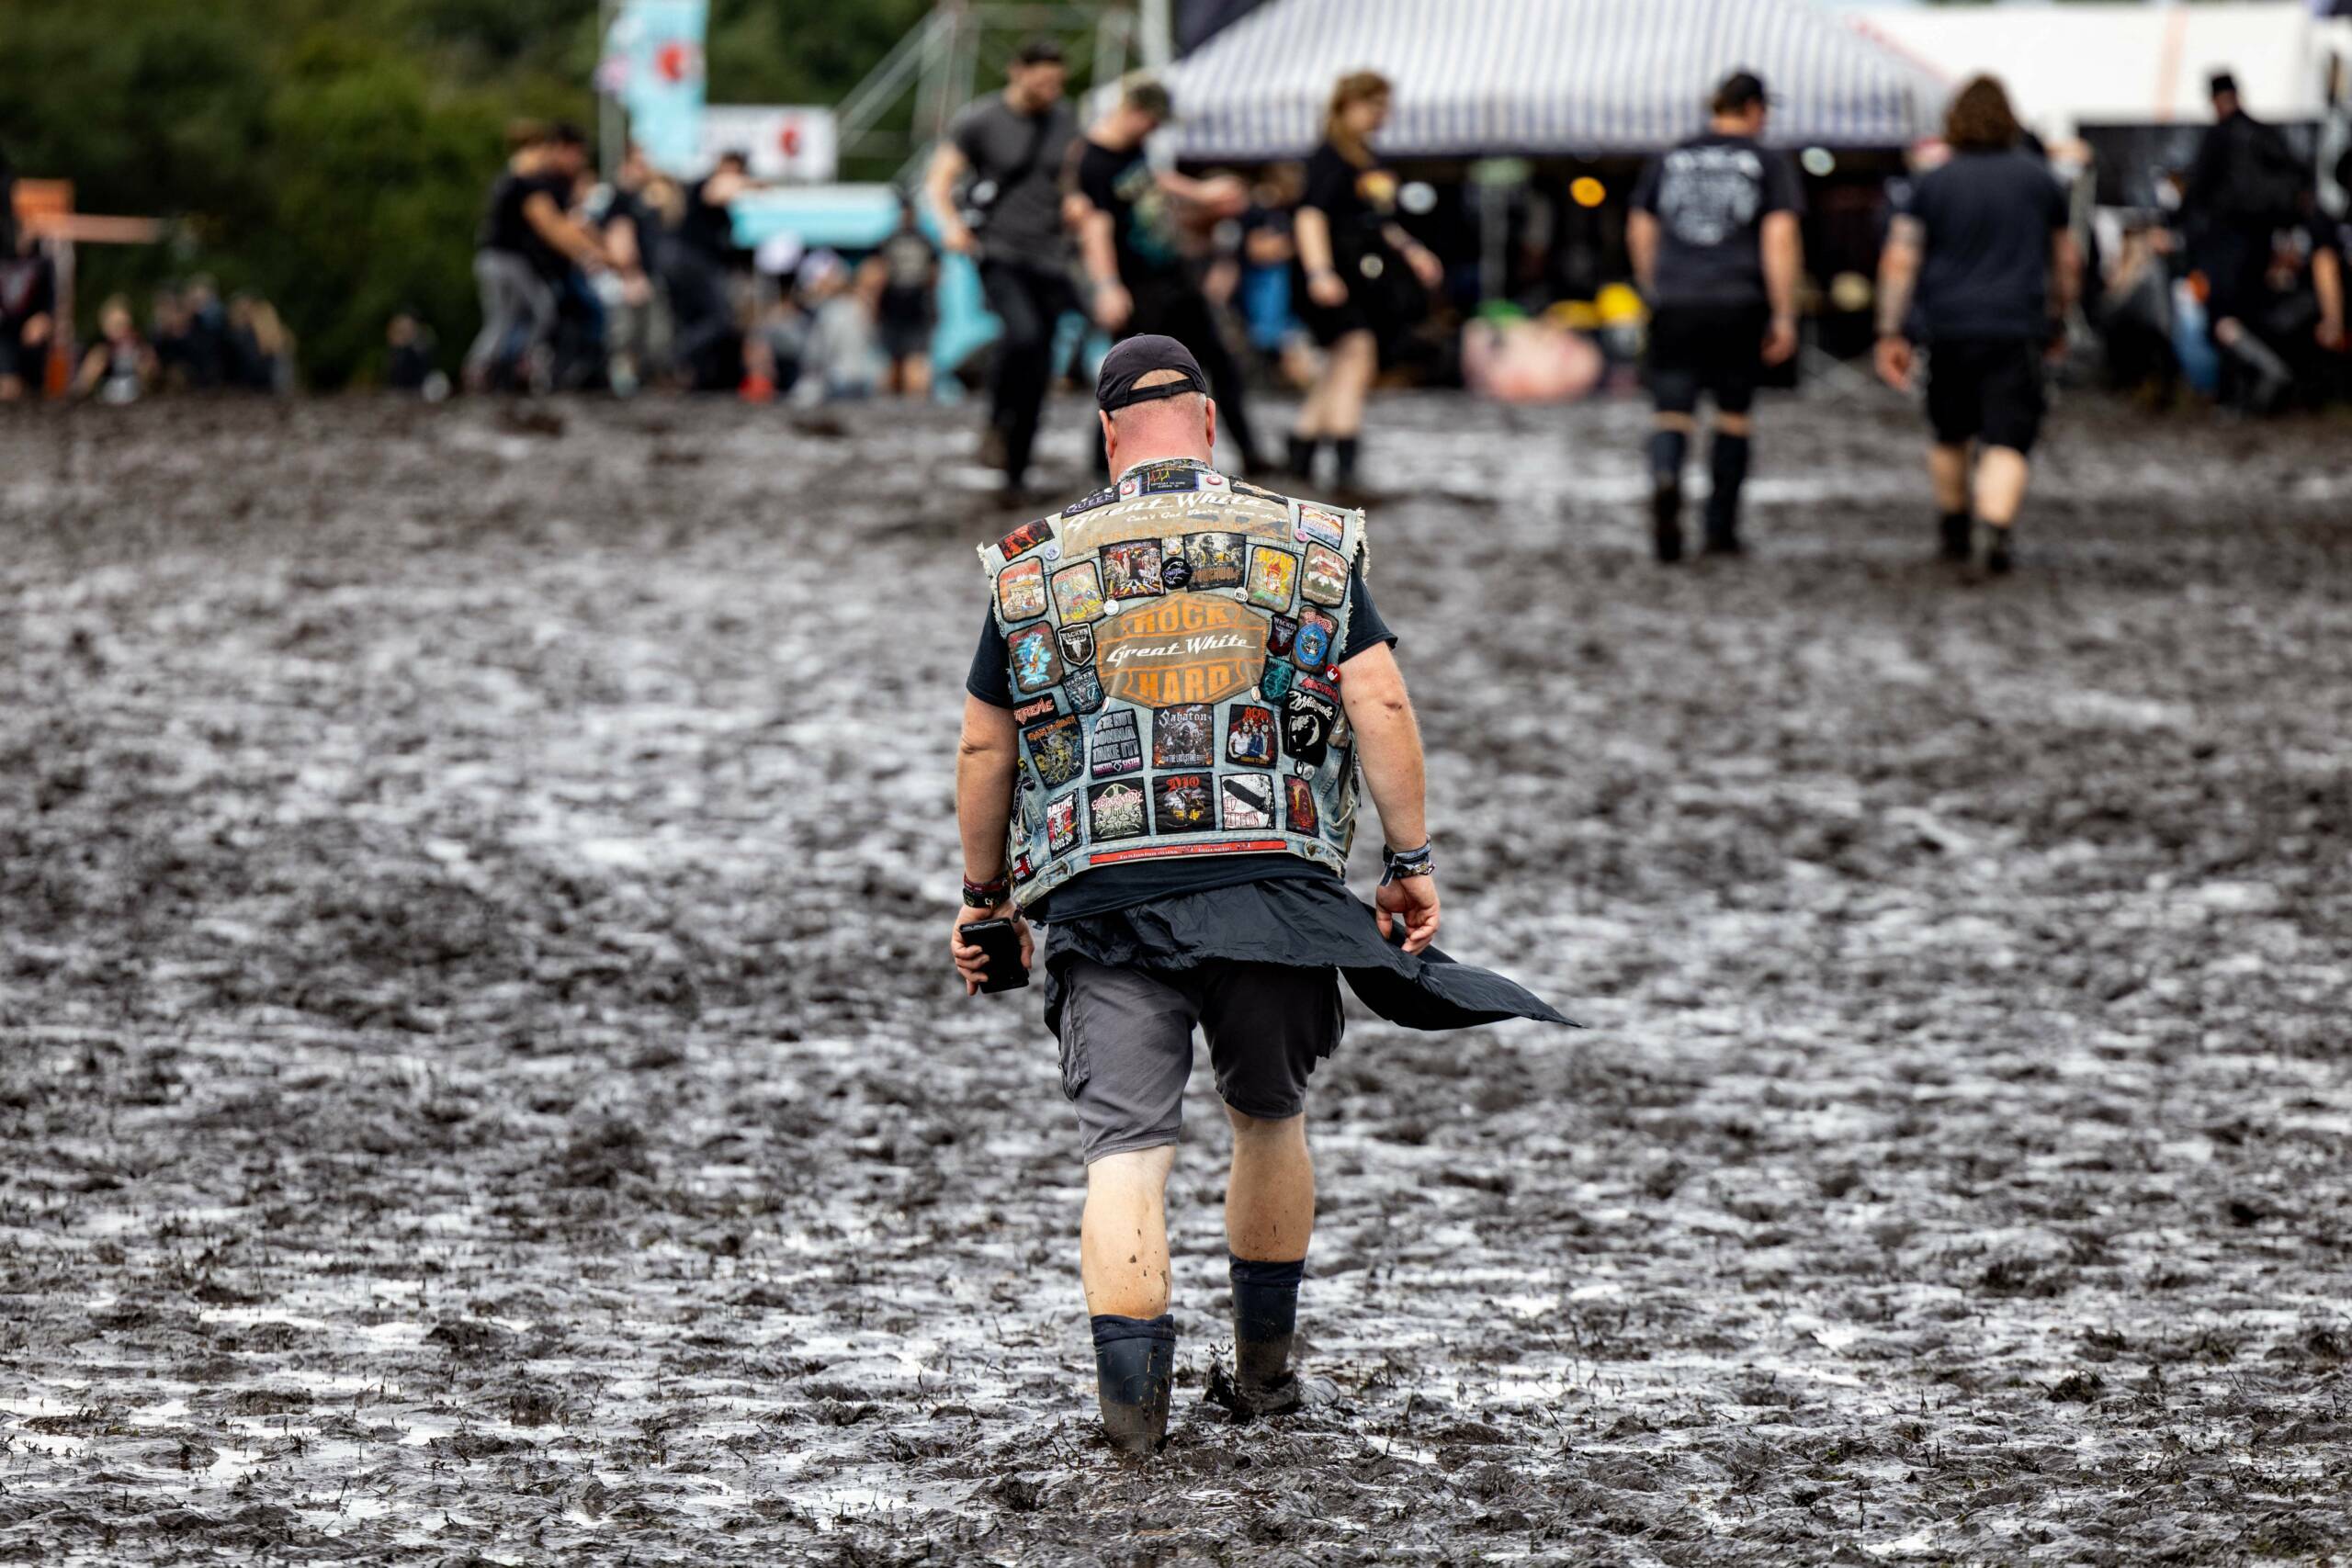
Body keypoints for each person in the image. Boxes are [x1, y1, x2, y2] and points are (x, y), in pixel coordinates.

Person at [950, 335, 1571, 1456]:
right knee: (1269, 1120)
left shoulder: (1034, 564)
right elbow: (1378, 702)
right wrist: (1410, 862)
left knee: (1126, 1158)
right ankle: (1266, 1382)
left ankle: (1133, 1429)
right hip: (1275, 893)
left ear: (1105, 435)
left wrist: (982, 898)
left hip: (1105, 898)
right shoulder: (1309, 542)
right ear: (1207, 422)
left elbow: (981, 750)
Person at [1874, 76, 2080, 575]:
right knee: (2008, 435)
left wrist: (1890, 331)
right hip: (2016, 325)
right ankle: (1996, 526)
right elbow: (2066, 258)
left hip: (1946, 325)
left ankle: (1954, 525)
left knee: (1949, 432)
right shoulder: (2040, 179)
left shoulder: (1933, 182)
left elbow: (1900, 260)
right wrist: (2061, 316)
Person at [1626, 71, 1804, 561]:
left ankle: (1666, 478)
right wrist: (1785, 313)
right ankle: (1719, 530)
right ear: (1752, 109)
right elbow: (1780, 237)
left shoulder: (1669, 156)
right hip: (1738, 301)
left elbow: (1640, 226)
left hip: (1676, 300)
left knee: (1671, 410)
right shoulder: (1766, 161)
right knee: (1733, 415)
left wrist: (1653, 286)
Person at [1067, 73, 1266, 474]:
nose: (1156, 131)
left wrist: (1201, 193)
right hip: (1135, 285)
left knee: (1218, 359)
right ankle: (1102, 462)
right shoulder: (1093, 160)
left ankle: (1252, 453)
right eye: (1153, 122)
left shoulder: (1135, 148)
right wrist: (1107, 286)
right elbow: (1096, 228)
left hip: (1173, 274)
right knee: (1127, 375)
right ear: (1136, 112)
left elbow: (1156, 181)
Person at [925, 37, 1080, 500]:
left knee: (1042, 356)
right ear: (1018, 71)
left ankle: (1017, 465)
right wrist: (950, 226)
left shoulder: (1065, 119)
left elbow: (1068, 176)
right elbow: (939, 180)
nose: (1051, 89)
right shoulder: (981, 120)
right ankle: (996, 420)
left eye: (1058, 82)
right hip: (998, 251)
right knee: (1023, 334)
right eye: (1043, 80)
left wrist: (1075, 204)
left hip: (1050, 254)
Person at [1288, 72, 1443, 492]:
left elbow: (1381, 222)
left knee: (1342, 363)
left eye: (1384, 107)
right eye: (1372, 106)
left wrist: (1413, 251)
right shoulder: (1328, 157)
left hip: (1364, 277)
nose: (1380, 115)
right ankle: (1343, 456)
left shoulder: (1367, 158)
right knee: (1357, 355)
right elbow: (1309, 216)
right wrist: (1319, 271)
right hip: (1334, 274)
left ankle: (1301, 449)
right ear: (1347, 105)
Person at [2181, 72, 2307, 412]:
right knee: (2251, 315)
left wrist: (2187, 240)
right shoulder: (2265, 134)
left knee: (2222, 320)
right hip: (2260, 246)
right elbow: (2297, 182)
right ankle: (2261, 384)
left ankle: (2248, 385)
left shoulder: (2219, 138)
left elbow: (2195, 195)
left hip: (2224, 248)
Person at [465, 122, 605, 393]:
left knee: (512, 317)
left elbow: (564, 224)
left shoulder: (521, 181)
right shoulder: (524, 182)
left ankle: (497, 369)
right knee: (531, 311)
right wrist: (589, 254)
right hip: (506, 260)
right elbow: (551, 226)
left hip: (501, 259)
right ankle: (495, 368)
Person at [668, 149, 759, 391]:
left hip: (700, 264)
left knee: (705, 321)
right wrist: (755, 185)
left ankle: (697, 375)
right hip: (692, 262)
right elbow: (719, 190)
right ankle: (678, 355)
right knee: (720, 319)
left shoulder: (724, 209)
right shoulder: (704, 186)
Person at [875, 196, 940, 399]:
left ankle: (892, 408)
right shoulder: (925, 241)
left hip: (901, 307)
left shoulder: (889, 240)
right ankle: (914, 407)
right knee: (912, 361)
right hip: (909, 306)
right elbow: (934, 276)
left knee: (898, 362)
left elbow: (878, 275)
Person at [0, 220, 56, 402]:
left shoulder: (43, 263)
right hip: (6, 331)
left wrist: (43, 319)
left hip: (32, 330)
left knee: (33, 387)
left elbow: (50, 301)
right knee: (8, 387)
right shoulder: (4, 259)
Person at [74, 295, 154, 402]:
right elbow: (80, 388)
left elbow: (153, 381)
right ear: (105, 326)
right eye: (116, 325)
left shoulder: (141, 347)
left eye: (124, 325)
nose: (121, 331)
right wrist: (92, 373)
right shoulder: (99, 350)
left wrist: (146, 369)